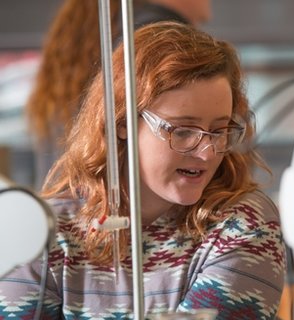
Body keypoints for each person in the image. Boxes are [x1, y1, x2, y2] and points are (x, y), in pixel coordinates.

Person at [0, 22, 286, 320]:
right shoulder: (44, 232)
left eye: (219, 131)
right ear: (121, 121)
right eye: (182, 130)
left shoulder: (242, 225)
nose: (207, 153)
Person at [25, 0, 210, 190]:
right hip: (118, 201)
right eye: (184, 130)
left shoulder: (96, 25)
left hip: (73, 197)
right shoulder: (160, 30)